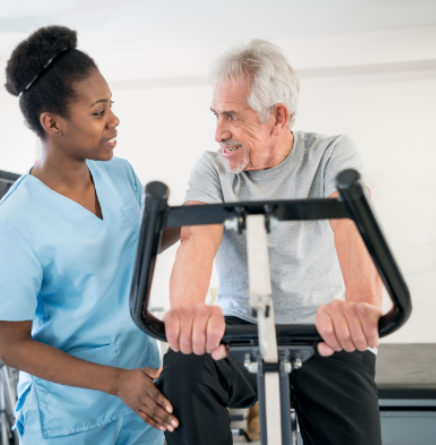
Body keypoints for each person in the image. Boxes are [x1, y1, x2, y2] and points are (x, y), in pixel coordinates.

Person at [156, 39, 383, 445]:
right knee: (183, 365)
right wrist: (187, 312)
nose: (218, 132)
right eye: (215, 115)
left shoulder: (331, 153)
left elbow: (352, 225)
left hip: (323, 328)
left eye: (231, 116)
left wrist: (363, 305)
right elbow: (196, 238)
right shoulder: (213, 168)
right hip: (242, 327)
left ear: (277, 116)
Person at [0, 25, 179, 444]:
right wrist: (116, 381)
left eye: (111, 106)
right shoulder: (13, 222)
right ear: (53, 123)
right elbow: (11, 345)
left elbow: (132, 253)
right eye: (98, 111)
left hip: (143, 396)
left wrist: (197, 217)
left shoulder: (119, 174)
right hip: (71, 418)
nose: (114, 120)